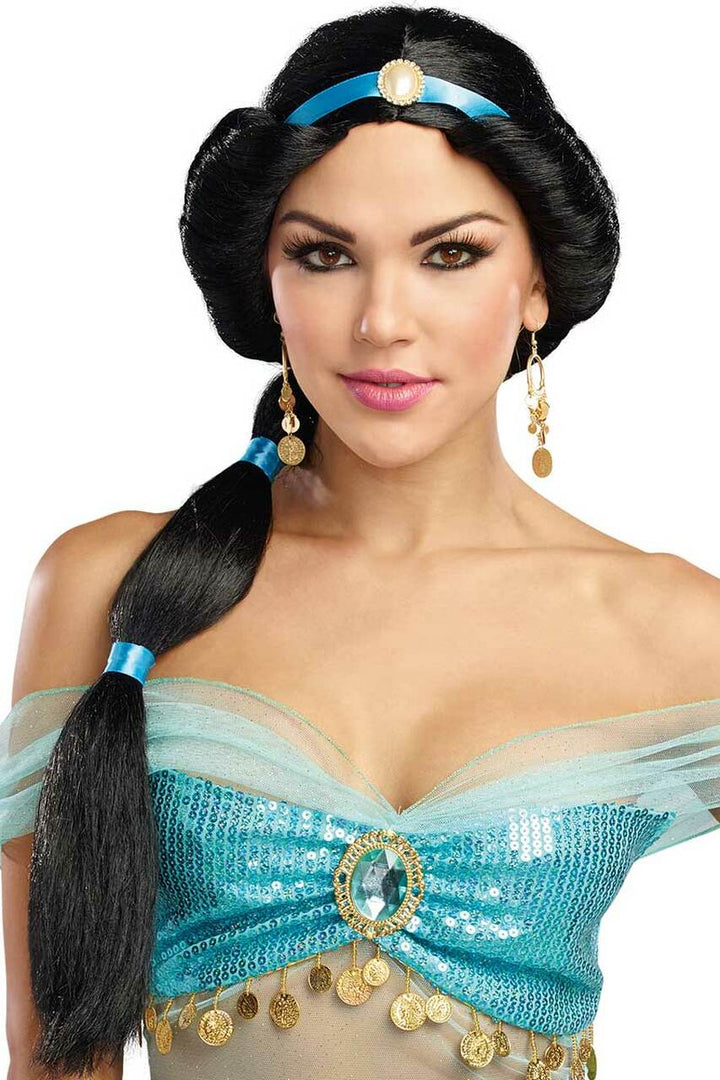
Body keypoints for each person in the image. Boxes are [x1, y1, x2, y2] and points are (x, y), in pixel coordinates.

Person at [1, 6, 719, 1079]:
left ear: (537, 281)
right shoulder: (112, 591)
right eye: (326, 255)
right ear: (267, 278)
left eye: (451, 254)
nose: (383, 321)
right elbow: (56, 1057)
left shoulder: (679, 630)